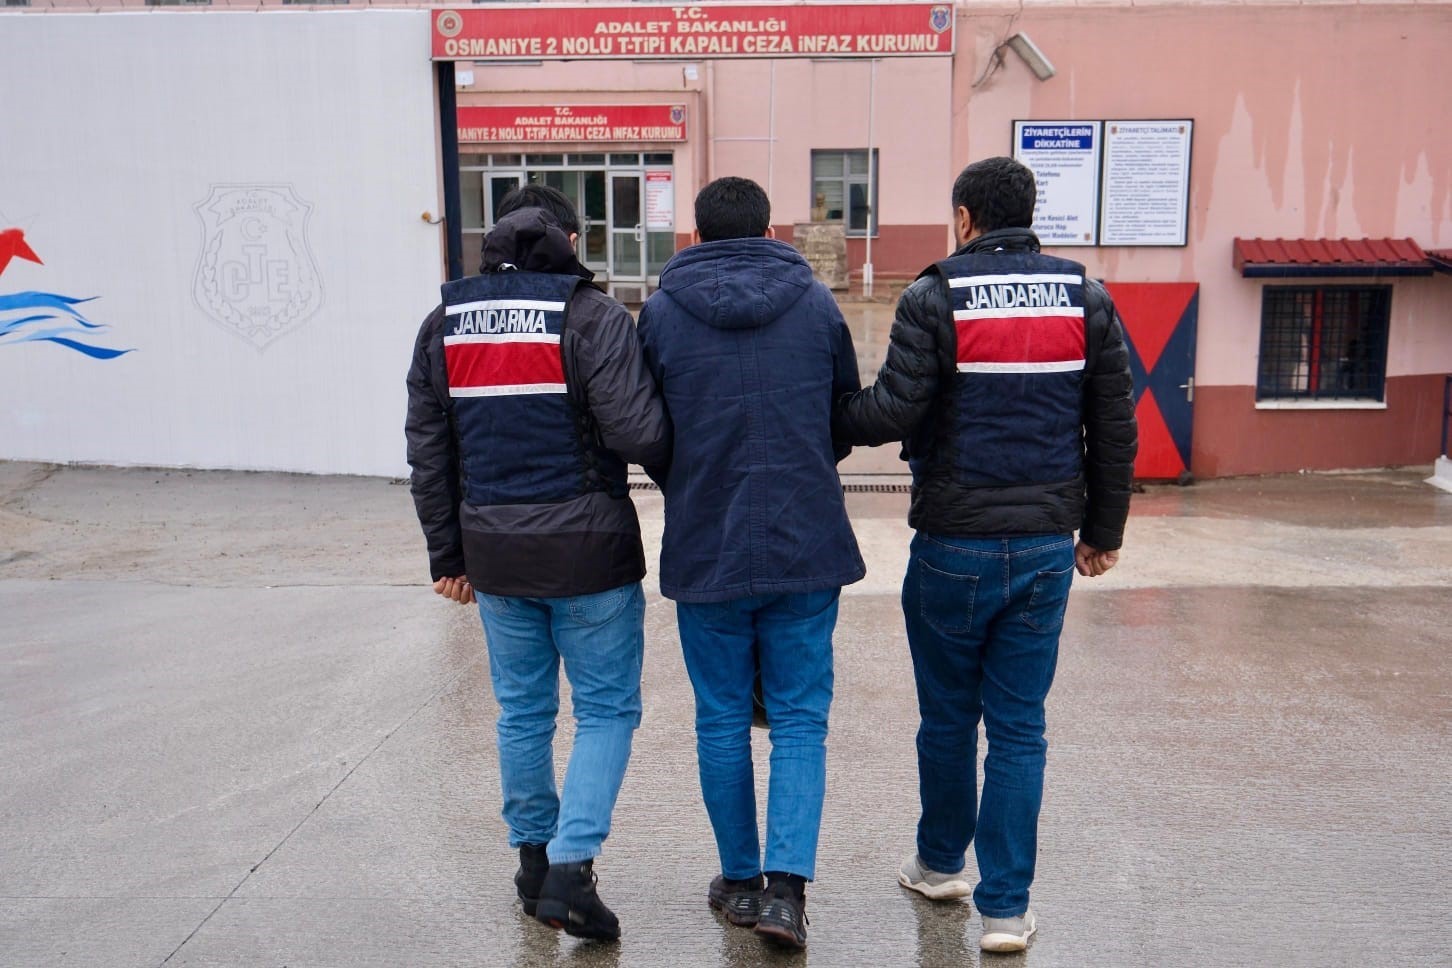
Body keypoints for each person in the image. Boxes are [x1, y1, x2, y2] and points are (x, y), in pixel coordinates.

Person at [833, 156, 1138, 952]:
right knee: (1019, 729)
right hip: (1044, 549)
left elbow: (893, 410)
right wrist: (1103, 533)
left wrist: (821, 416)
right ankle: (1005, 909)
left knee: (947, 718)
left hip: (951, 546)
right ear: (1029, 216)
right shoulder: (1086, 298)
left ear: (965, 219)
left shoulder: (934, 295)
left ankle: (940, 865)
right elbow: (1114, 424)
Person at [405, 185, 669, 943]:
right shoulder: (591, 316)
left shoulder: (443, 325)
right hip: (589, 554)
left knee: (523, 712)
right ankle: (571, 871)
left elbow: (429, 451)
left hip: (493, 556)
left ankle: (532, 864)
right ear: (570, 239)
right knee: (606, 709)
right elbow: (638, 432)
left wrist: (448, 555)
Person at [636, 176, 865, 951]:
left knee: (721, 716)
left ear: (695, 237)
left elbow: (647, 426)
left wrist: (688, 478)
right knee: (799, 718)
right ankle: (786, 896)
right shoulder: (816, 303)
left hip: (706, 542)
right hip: (806, 536)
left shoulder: (662, 312)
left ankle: (739, 882)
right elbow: (840, 415)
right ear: (771, 232)